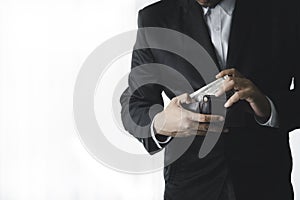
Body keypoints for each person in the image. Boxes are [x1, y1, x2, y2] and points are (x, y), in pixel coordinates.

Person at [120, 0, 300, 199]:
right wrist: (161, 122)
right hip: (189, 184)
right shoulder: (154, 19)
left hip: (266, 181)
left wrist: (267, 106)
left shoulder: (286, 10)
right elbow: (135, 103)